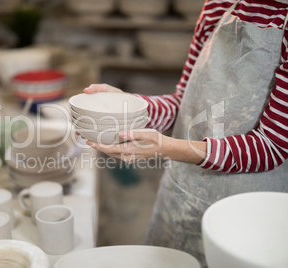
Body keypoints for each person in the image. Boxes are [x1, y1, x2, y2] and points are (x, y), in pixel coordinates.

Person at [83, 0, 288, 266]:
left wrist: (166, 147)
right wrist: (133, 107)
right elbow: (184, 102)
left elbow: (271, 146)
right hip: (181, 192)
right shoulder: (218, 4)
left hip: (246, 214)